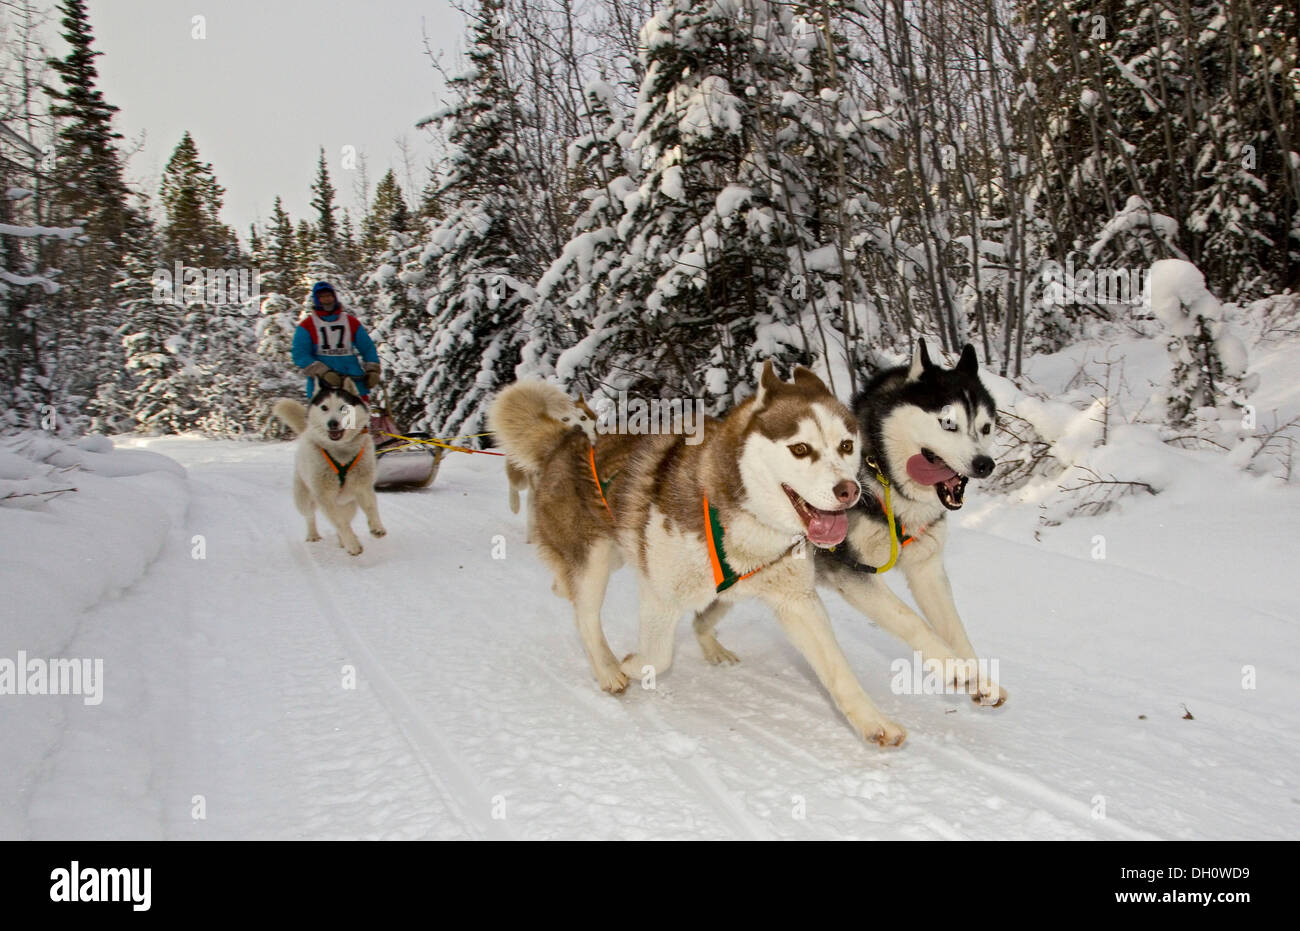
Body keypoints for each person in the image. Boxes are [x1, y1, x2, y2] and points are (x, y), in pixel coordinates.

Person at [292, 281, 382, 400]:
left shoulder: (350, 322)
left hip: (353, 382)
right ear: (317, 300)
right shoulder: (307, 326)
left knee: (357, 417)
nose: (327, 300)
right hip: (322, 386)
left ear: (334, 297)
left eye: (329, 296)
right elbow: (300, 354)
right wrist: (323, 372)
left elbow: (367, 348)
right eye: (322, 297)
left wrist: (372, 370)